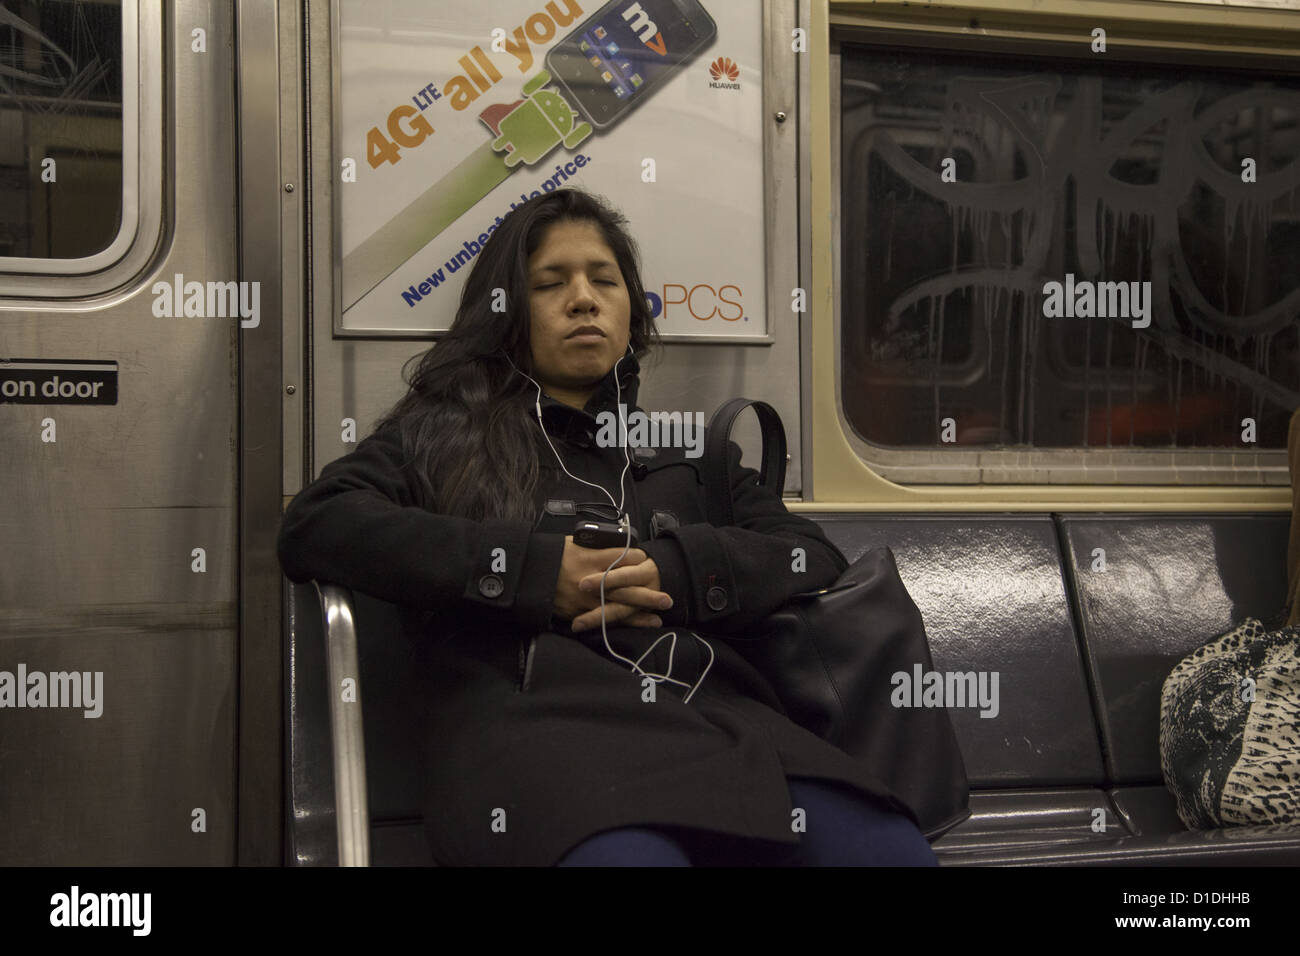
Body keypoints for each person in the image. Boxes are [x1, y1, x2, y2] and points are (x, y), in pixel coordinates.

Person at [277, 187, 936, 866]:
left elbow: (809, 557)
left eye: (604, 280)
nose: (584, 299)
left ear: (630, 309)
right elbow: (319, 524)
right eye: (550, 283)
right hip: (536, 738)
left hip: (715, 721)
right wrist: (531, 573)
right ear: (504, 311)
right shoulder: (442, 439)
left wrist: (679, 570)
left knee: (889, 851)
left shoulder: (688, 452)